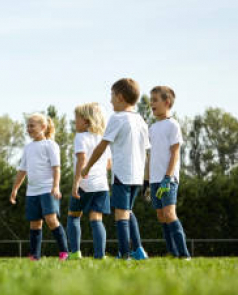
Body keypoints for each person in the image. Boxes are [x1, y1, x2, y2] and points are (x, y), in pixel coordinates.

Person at [81, 78, 150, 260]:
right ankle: (139, 250)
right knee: (128, 211)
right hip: (137, 176)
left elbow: (102, 146)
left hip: (122, 175)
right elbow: (147, 151)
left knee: (121, 215)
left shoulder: (117, 118)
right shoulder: (141, 120)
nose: (110, 100)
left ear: (120, 97)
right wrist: (147, 178)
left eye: (111, 96)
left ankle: (125, 254)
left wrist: (87, 166)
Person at [9, 114, 69, 261]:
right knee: (35, 223)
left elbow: (56, 168)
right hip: (32, 192)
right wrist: (15, 189)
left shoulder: (51, 145)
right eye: (27, 126)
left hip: (48, 189)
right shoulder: (28, 148)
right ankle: (35, 256)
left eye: (32, 126)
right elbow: (22, 171)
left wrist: (56, 187)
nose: (28, 129)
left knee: (51, 220)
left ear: (43, 127)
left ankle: (64, 252)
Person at [147, 86, 190, 259]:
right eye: (151, 100)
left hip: (168, 180)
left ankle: (184, 254)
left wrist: (167, 178)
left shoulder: (173, 125)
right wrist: (146, 181)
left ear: (167, 102)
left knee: (170, 213)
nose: (151, 104)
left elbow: (175, 153)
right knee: (161, 216)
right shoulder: (152, 128)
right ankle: (172, 253)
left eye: (155, 100)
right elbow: (150, 156)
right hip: (155, 180)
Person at [68, 103, 111, 259]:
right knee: (96, 218)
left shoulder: (80, 137)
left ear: (86, 121)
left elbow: (82, 160)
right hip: (101, 185)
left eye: (76, 119)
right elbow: (109, 164)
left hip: (84, 185)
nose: (74, 122)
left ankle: (74, 253)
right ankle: (100, 255)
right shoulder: (103, 139)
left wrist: (75, 184)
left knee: (73, 216)